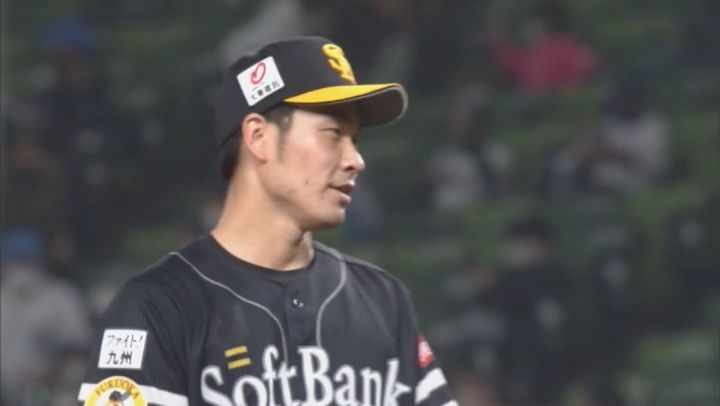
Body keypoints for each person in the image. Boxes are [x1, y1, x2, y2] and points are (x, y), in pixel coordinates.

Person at [78, 37, 456, 406]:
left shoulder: (383, 300)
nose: (355, 160)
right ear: (258, 137)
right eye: (333, 134)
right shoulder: (159, 306)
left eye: (354, 139)